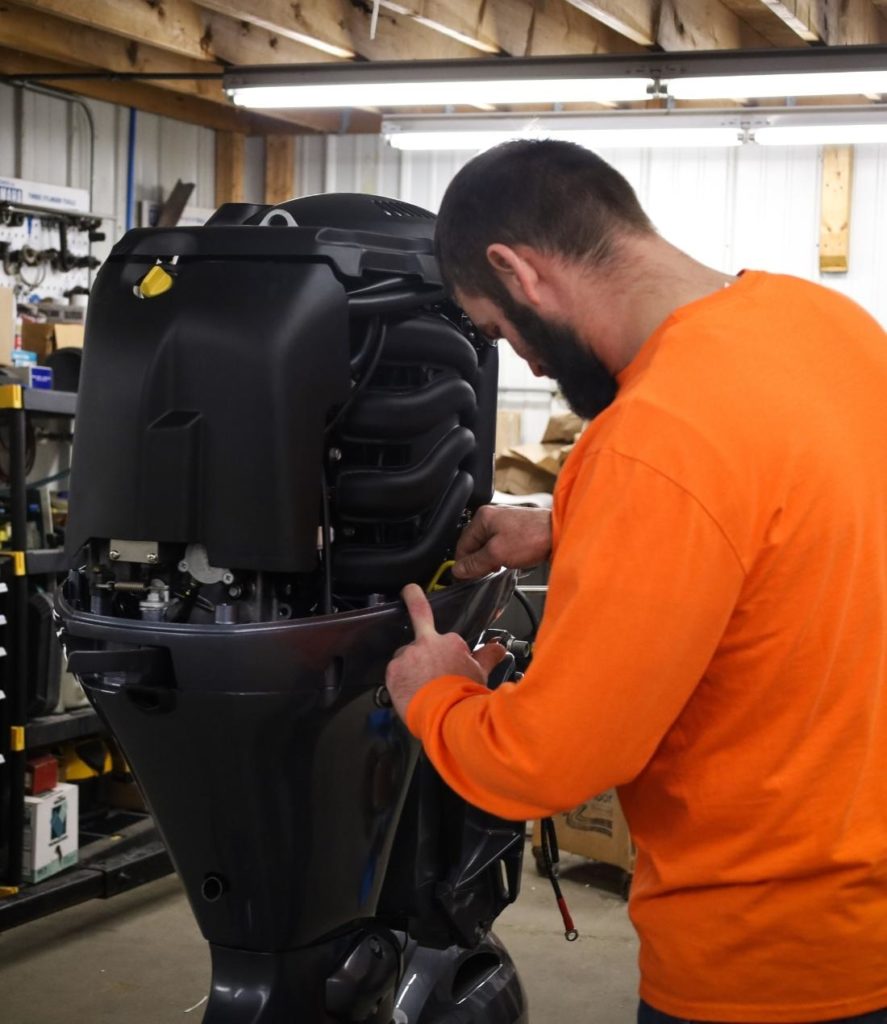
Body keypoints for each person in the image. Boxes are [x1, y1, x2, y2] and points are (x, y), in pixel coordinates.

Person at [384, 139, 887, 1024]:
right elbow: (797, 518)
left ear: (517, 270)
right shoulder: (829, 325)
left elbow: (552, 760)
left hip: (765, 960)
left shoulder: (651, 439)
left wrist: (439, 696)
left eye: (500, 329)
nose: (529, 363)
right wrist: (572, 528)